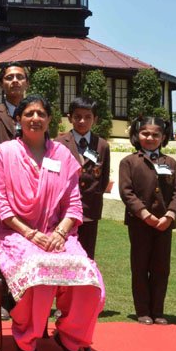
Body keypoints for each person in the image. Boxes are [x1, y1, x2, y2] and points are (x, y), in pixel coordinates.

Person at [0, 95, 104, 351]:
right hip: (16, 234)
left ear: (50, 119)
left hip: (57, 233)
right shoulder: (5, 152)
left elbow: (74, 204)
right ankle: (27, 337)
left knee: (87, 276)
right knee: (40, 269)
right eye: (29, 114)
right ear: (19, 119)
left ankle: (71, 337)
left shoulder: (62, 155)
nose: (35, 118)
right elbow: (1, 204)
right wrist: (30, 234)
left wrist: (61, 233)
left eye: (41, 113)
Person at [119, 116, 176, 326]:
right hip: (140, 224)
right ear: (137, 135)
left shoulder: (170, 163)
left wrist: (170, 215)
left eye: (156, 135)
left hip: (164, 225)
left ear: (163, 137)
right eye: (145, 133)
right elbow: (127, 193)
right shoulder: (129, 162)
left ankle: (158, 311)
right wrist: (145, 214)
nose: (150, 138)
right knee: (140, 266)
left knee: (161, 267)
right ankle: (143, 311)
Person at [55, 97, 111, 259]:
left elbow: (104, 178)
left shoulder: (102, 145)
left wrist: (92, 197)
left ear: (95, 119)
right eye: (77, 116)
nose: (82, 121)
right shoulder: (59, 144)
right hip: (63, 211)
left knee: (87, 255)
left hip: (90, 210)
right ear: (70, 117)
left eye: (88, 117)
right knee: (64, 255)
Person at [0, 62, 29, 236]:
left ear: (26, 83)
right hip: (1, 192)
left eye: (19, 77)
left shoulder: (36, 115)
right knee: (0, 243)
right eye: (9, 78)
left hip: (32, 193)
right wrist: (3, 188)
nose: (15, 81)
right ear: (1, 84)